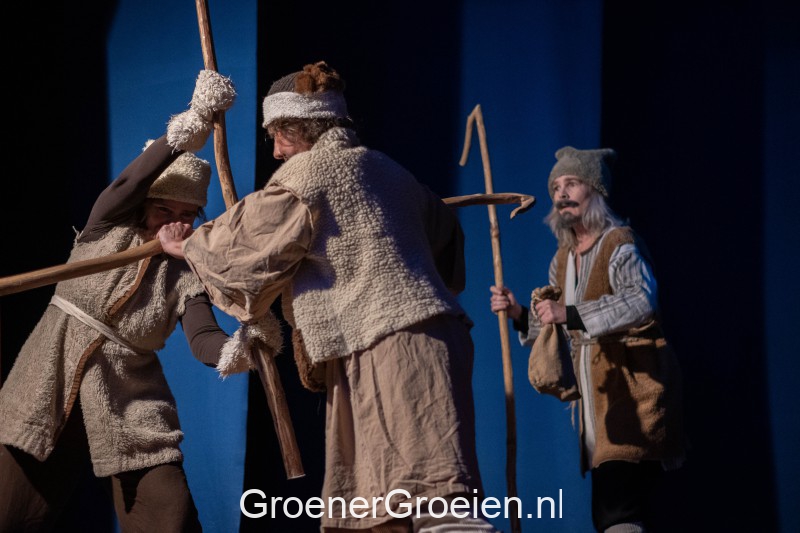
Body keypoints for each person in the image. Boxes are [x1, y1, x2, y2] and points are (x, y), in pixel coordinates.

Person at [158, 61, 498, 532]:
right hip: (416, 338)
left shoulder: (306, 176)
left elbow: (247, 248)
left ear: (299, 128)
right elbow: (444, 238)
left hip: (390, 342)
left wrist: (187, 245)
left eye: (278, 136)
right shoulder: (389, 170)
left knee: (434, 501)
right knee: (383, 507)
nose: (276, 152)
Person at [0, 70, 247, 532]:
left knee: (169, 513)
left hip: (128, 400)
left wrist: (241, 349)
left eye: (187, 215)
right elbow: (128, 183)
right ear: (144, 206)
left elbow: (203, 338)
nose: (174, 224)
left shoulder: (187, 271)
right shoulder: (105, 228)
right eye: (163, 210)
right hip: (47, 382)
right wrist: (191, 124)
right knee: (10, 508)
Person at [489, 146, 686, 533]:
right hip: (596, 403)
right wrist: (520, 314)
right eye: (556, 187)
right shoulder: (563, 258)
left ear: (596, 190)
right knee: (609, 510)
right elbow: (558, 326)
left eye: (572, 183)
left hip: (633, 391)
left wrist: (571, 313)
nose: (561, 193)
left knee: (621, 508)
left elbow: (641, 300)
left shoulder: (620, 243)